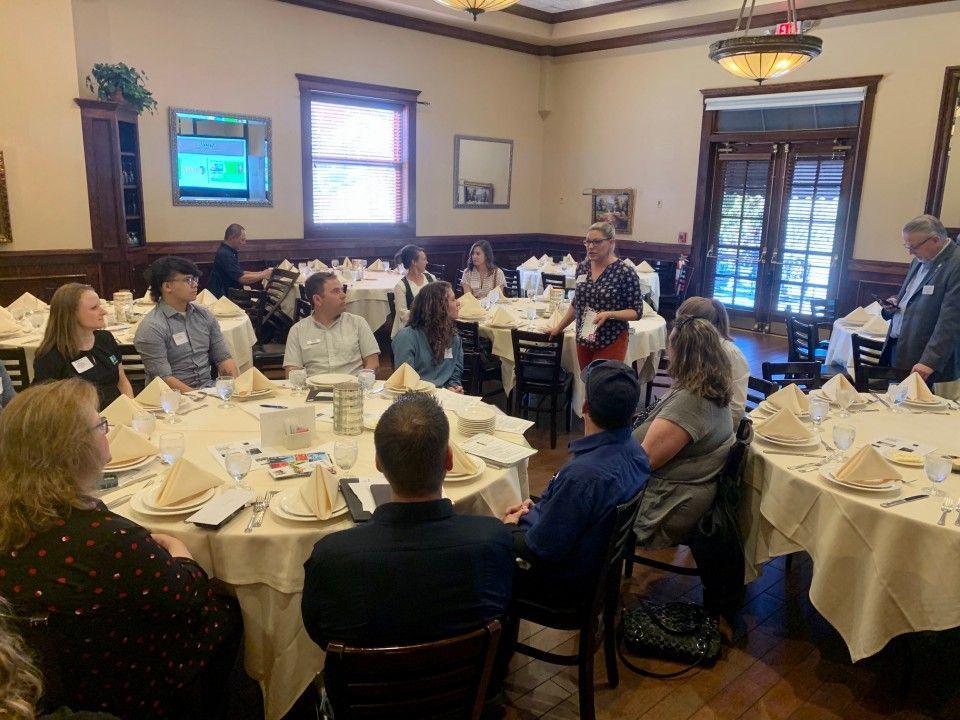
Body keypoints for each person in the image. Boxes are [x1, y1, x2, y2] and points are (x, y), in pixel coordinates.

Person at [0, 379, 242, 719]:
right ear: (75, 449)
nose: (108, 430)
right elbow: (188, 595)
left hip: (33, 686)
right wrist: (181, 552)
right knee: (229, 608)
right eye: (100, 424)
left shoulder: (11, 521)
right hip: (130, 686)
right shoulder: (111, 540)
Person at [301, 393, 513, 649]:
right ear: (449, 459)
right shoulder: (492, 540)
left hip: (364, 687)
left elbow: (319, 633)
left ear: (378, 463)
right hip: (467, 684)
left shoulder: (331, 556)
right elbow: (502, 611)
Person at [502, 360, 649, 602]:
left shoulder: (582, 477)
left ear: (585, 407)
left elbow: (540, 549)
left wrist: (509, 527)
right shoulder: (636, 452)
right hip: (592, 563)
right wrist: (534, 510)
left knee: (480, 543)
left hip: (563, 583)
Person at [632, 317, 734, 549]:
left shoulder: (691, 403)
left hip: (660, 507)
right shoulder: (711, 388)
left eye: (671, 346)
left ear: (682, 353)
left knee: (579, 496)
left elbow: (643, 462)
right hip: (674, 495)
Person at [133, 256, 238, 391]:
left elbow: (223, 358)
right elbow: (164, 378)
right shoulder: (152, 327)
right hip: (172, 400)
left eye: (195, 279)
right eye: (188, 280)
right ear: (167, 286)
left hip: (208, 389)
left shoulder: (204, 315)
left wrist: (232, 387)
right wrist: (200, 398)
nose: (195, 284)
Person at [881, 214, 960, 393]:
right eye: (907, 246)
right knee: (894, 408)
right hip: (899, 347)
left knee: (918, 415)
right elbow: (912, 295)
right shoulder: (921, 258)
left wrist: (929, 361)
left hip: (925, 359)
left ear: (935, 240)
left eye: (913, 246)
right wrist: (895, 304)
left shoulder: (956, 264)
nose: (910, 252)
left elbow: (952, 320)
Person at [548, 222, 644, 369]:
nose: (590, 246)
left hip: (611, 338)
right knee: (588, 383)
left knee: (603, 386)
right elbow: (577, 304)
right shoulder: (582, 267)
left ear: (611, 243)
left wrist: (610, 314)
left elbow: (636, 312)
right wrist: (558, 328)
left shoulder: (625, 272)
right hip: (585, 337)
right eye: (587, 242)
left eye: (597, 242)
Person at [33, 283, 133, 409]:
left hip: (119, 413)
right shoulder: (51, 357)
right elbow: (47, 407)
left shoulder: (105, 338)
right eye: (94, 308)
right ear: (71, 314)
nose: (104, 312)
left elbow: (122, 380)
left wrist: (132, 408)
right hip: (80, 423)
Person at [283, 271, 380, 378]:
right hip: (313, 390)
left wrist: (362, 382)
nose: (343, 295)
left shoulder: (358, 323)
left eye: (342, 290)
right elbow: (292, 370)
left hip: (352, 389)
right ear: (317, 300)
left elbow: (373, 362)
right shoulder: (297, 330)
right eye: (336, 292)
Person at [676, 296, 748, 429]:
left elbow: (736, 410)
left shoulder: (731, 354)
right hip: (693, 418)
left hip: (716, 428)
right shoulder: (691, 348)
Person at [392, 281, 464, 392]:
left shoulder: (453, 337)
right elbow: (405, 382)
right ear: (439, 306)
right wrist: (438, 393)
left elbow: (456, 371)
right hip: (417, 399)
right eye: (453, 300)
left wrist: (453, 387)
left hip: (447, 395)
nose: (458, 303)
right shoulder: (406, 337)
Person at [206, 223, 272, 298]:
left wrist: (261, 272)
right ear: (232, 238)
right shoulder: (225, 254)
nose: (244, 243)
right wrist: (263, 275)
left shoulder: (229, 251)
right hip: (224, 297)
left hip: (229, 293)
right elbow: (242, 278)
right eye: (242, 239)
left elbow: (241, 273)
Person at [391, 244, 436, 338]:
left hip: (432, 326)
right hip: (411, 329)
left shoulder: (431, 278)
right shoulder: (401, 286)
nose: (427, 262)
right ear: (414, 262)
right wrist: (424, 315)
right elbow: (403, 314)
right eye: (424, 259)